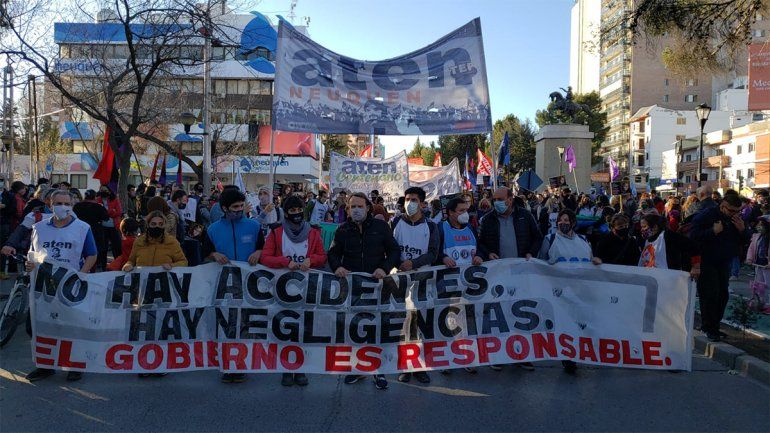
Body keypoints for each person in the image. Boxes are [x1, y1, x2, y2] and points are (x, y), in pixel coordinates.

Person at [328, 192, 399, 390]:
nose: (356, 210)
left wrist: (384, 268)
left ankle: (379, 370)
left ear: (368, 207)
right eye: (352, 207)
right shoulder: (342, 230)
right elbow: (333, 253)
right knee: (355, 328)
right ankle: (358, 368)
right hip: (352, 287)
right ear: (348, 210)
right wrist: (337, 267)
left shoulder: (381, 227)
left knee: (376, 329)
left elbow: (394, 251)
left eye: (360, 206)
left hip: (376, 285)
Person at [25, 190, 97, 382]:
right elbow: (33, 253)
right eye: (59, 203)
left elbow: (92, 254)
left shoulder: (83, 228)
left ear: (72, 206)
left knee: (71, 326)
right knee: (39, 325)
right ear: (50, 205)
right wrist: (29, 264)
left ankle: (74, 365)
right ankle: (45, 366)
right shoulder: (39, 228)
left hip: (69, 285)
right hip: (44, 285)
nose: (63, 207)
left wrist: (82, 275)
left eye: (67, 204)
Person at [260, 195, 327, 387]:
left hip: (306, 290)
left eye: (299, 210)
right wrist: (284, 262)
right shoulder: (276, 231)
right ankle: (286, 369)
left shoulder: (313, 232)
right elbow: (266, 257)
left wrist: (311, 260)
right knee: (284, 329)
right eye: (292, 211)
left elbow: (322, 256)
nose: (296, 214)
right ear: (286, 213)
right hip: (281, 289)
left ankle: (300, 368)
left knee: (303, 330)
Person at [203, 188, 264, 384]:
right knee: (227, 327)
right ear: (224, 208)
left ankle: (241, 363)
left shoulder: (254, 226)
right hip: (223, 287)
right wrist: (214, 255)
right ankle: (228, 365)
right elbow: (203, 254)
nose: (239, 210)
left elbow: (264, 248)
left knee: (244, 325)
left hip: (248, 285)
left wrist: (259, 253)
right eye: (235, 207)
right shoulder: (212, 230)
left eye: (241, 206)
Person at [537, 208, 601, 374]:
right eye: (560, 220)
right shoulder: (550, 239)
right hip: (560, 292)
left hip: (581, 290)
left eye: (566, 220)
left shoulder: (583, 240)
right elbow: (540, 262)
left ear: (573, 223)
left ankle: (580, 352)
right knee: (565, 324)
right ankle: (568, 357)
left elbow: (590, 258)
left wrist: (595, 261)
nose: (563, 223)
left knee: (581, 322)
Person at [390, 186, 439, 384]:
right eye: (407, 199)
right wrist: (398, 264)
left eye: (414, 200)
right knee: (404, 324)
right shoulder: (396, 222)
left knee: (420, 324)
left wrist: (414, 263)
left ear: (422, 203)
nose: (409, 203)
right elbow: (390, 247)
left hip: (423, 279)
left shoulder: (431, 226)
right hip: (400, 279)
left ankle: (420, 366)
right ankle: (406, 365)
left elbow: (433, 253)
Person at [690, 190, 752, 341]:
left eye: (738, 211)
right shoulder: (707, 215)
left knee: (723, 295)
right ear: (723, 206)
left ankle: (715, 326)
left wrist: (742, 230)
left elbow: (745, 240)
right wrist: (712, 231)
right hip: (707, 260)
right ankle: (707, 327)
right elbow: (694, 237)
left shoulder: (736, 219)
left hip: (724, 260)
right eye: (731, 210)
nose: (734, 214)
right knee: (710, 294)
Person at [478, 187, 542, 262]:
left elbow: (538, 237)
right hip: (497, 267)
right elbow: (481, 242)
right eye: (494, 200)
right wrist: (488, 253)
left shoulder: (525, 215)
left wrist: (531, 253)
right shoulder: (487, 219)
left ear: (510, 199)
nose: (496, 202)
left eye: (500, 199)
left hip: (522, 264)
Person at [73, 190, 110, 270]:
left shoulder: (77, 206)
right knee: (97, 249)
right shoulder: (99, 207)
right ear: (95, 197)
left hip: (80, 230)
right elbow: (106, 217)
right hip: (96, 231)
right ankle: (97, 265)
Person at [97, 186, 123, 271]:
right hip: (102, 227)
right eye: (101, 190)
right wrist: (112, 211)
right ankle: (103, 266)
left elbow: (119, 212)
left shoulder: (115, 199)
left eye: (105, 190)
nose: (103, 192)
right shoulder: (98, 200)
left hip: (114, 226)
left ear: (109, 191)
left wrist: (108, 212)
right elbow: (99, 213)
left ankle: (117, 264)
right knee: (103, 248)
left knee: (117, 246)